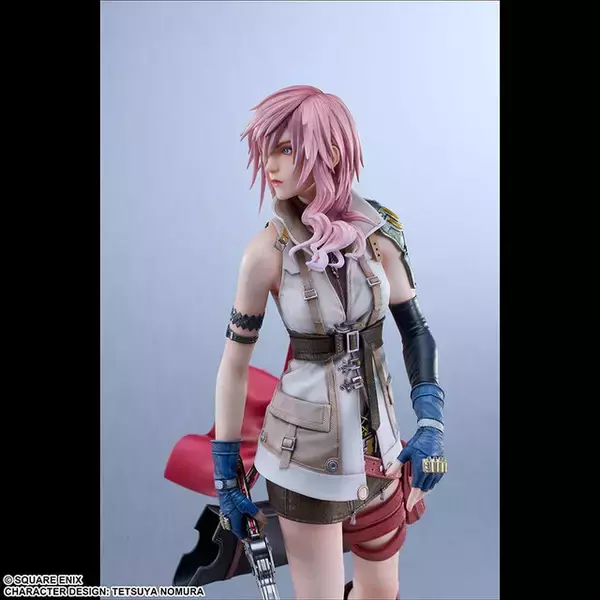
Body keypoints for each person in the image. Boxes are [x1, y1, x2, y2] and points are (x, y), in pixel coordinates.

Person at [210, 85, 447, 600]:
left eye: (286, 148)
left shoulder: (380, 232)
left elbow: (415, 330)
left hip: (380, 448)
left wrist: (430, 419)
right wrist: (226, 468)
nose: (270, 165)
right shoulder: (266, 252)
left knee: (381, 593)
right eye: (267, 150)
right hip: (303, 456)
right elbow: (234, 363)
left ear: (332, 152)